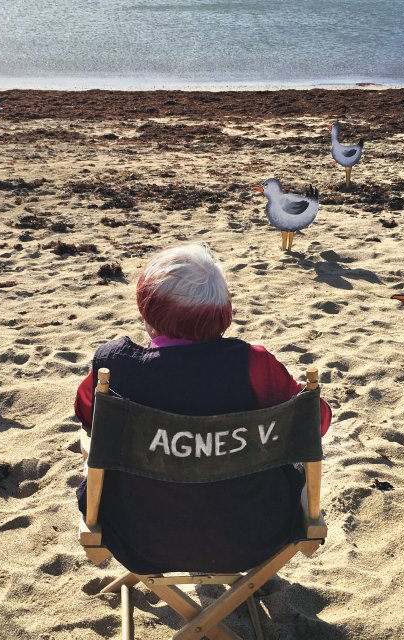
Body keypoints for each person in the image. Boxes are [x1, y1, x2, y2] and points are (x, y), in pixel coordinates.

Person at [75, 243, 331, 574]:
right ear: (224, 314)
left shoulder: (116, 367)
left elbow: (87, 416)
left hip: (137, 537)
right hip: (254, 537)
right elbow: (315, 423)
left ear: (147, 310)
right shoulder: (255, 365)